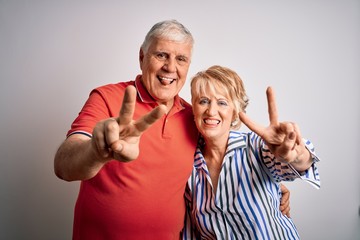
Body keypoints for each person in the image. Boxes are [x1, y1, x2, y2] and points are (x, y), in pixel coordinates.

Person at [54, 20, 291, 239]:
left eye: (181, 59)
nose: (170, 67)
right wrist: (97, 151)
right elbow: (64, 165)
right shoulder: (107, 97)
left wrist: (269, 182)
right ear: (142, 57)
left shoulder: (194, 117)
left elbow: (218, 161)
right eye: (161, 55)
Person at [182, 65, 320, 240]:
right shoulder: (187, 166)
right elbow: (191, 232)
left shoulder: (256, 147)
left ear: (235, 113)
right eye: (203, 101)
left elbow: (298, 165)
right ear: (193, 108)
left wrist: (298, 156)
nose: (211, 111)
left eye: (222, 102)